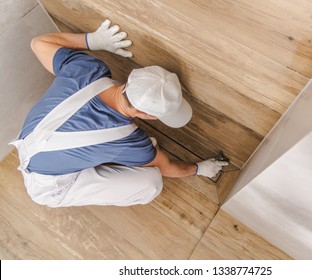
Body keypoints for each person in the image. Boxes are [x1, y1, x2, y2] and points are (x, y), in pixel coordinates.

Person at [10, 19, 228, 208]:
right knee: (151, 183)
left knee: (115, 155)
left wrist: (92, 41)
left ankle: (92, 159)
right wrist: (199, 169)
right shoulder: (129, 142)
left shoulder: (88, 69)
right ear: (144, 114)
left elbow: (39, 43)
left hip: (29, 140)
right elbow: (168, 167)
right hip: (49, 186)